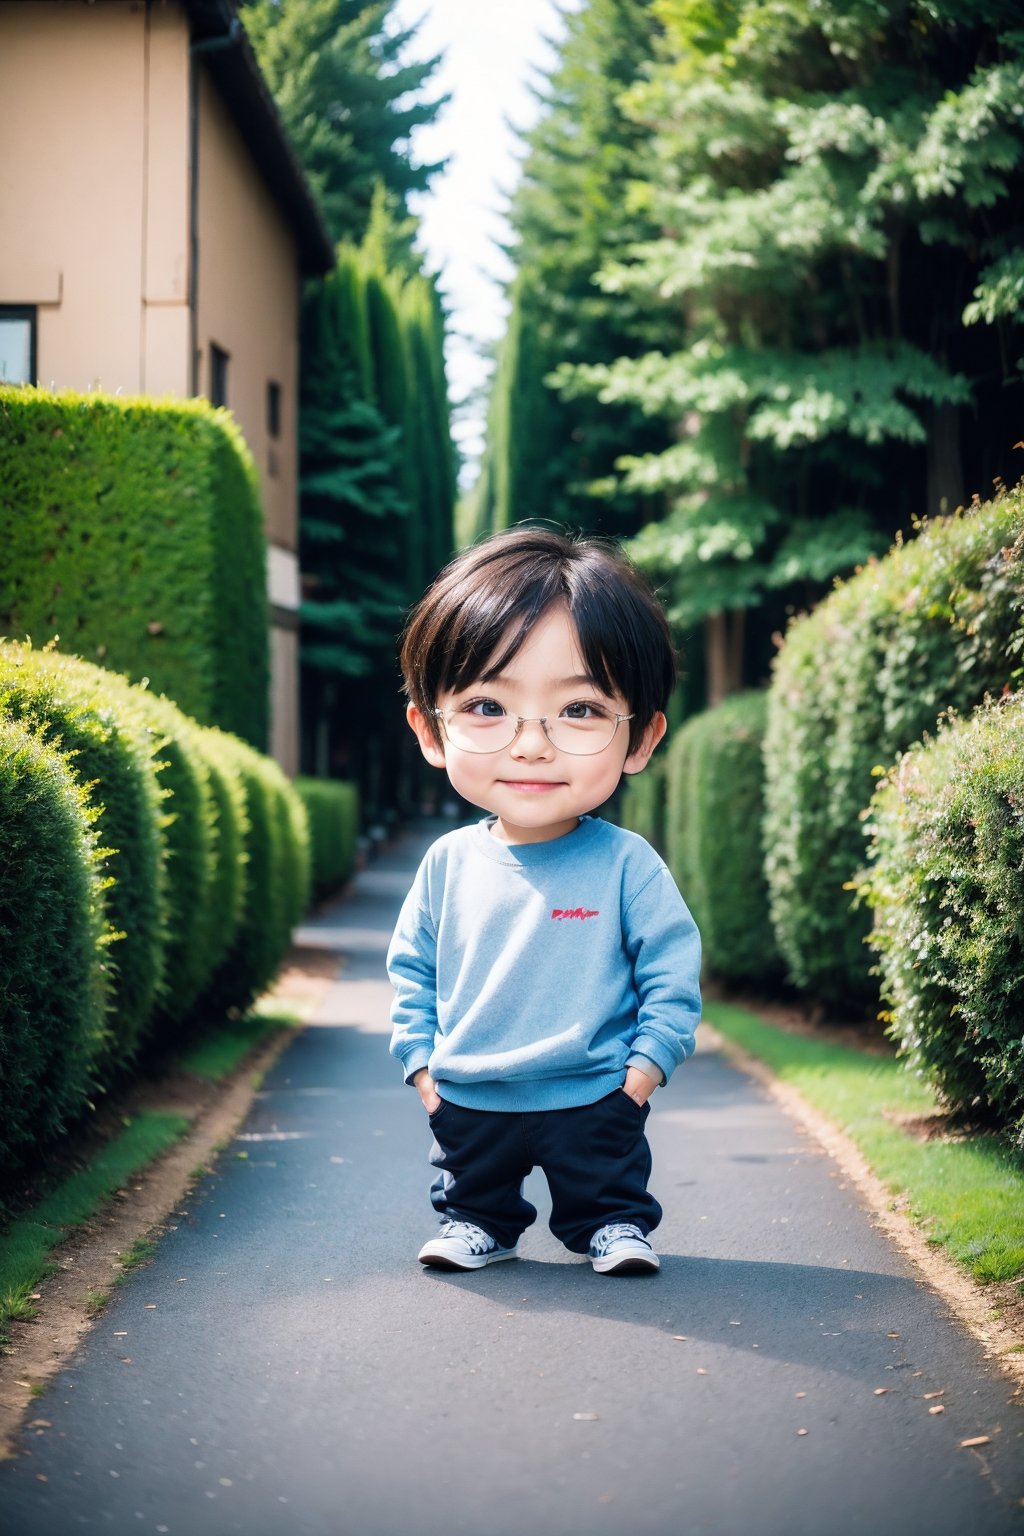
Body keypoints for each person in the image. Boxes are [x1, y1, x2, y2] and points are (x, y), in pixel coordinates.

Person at [386, 527, 701, 1276]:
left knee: (606, 1188)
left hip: (596, 1091)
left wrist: (642, 1076)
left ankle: (615, 1226)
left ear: (641, 738)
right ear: (430, 729)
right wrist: (424, 1073)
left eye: (581, 711)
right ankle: (476, 1225)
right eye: (489, 706)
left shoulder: (628, 865)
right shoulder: (448, 863)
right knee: (473, 1191)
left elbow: (671, 972)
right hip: (469, 1093)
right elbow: (411, 973)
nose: (532, 744)